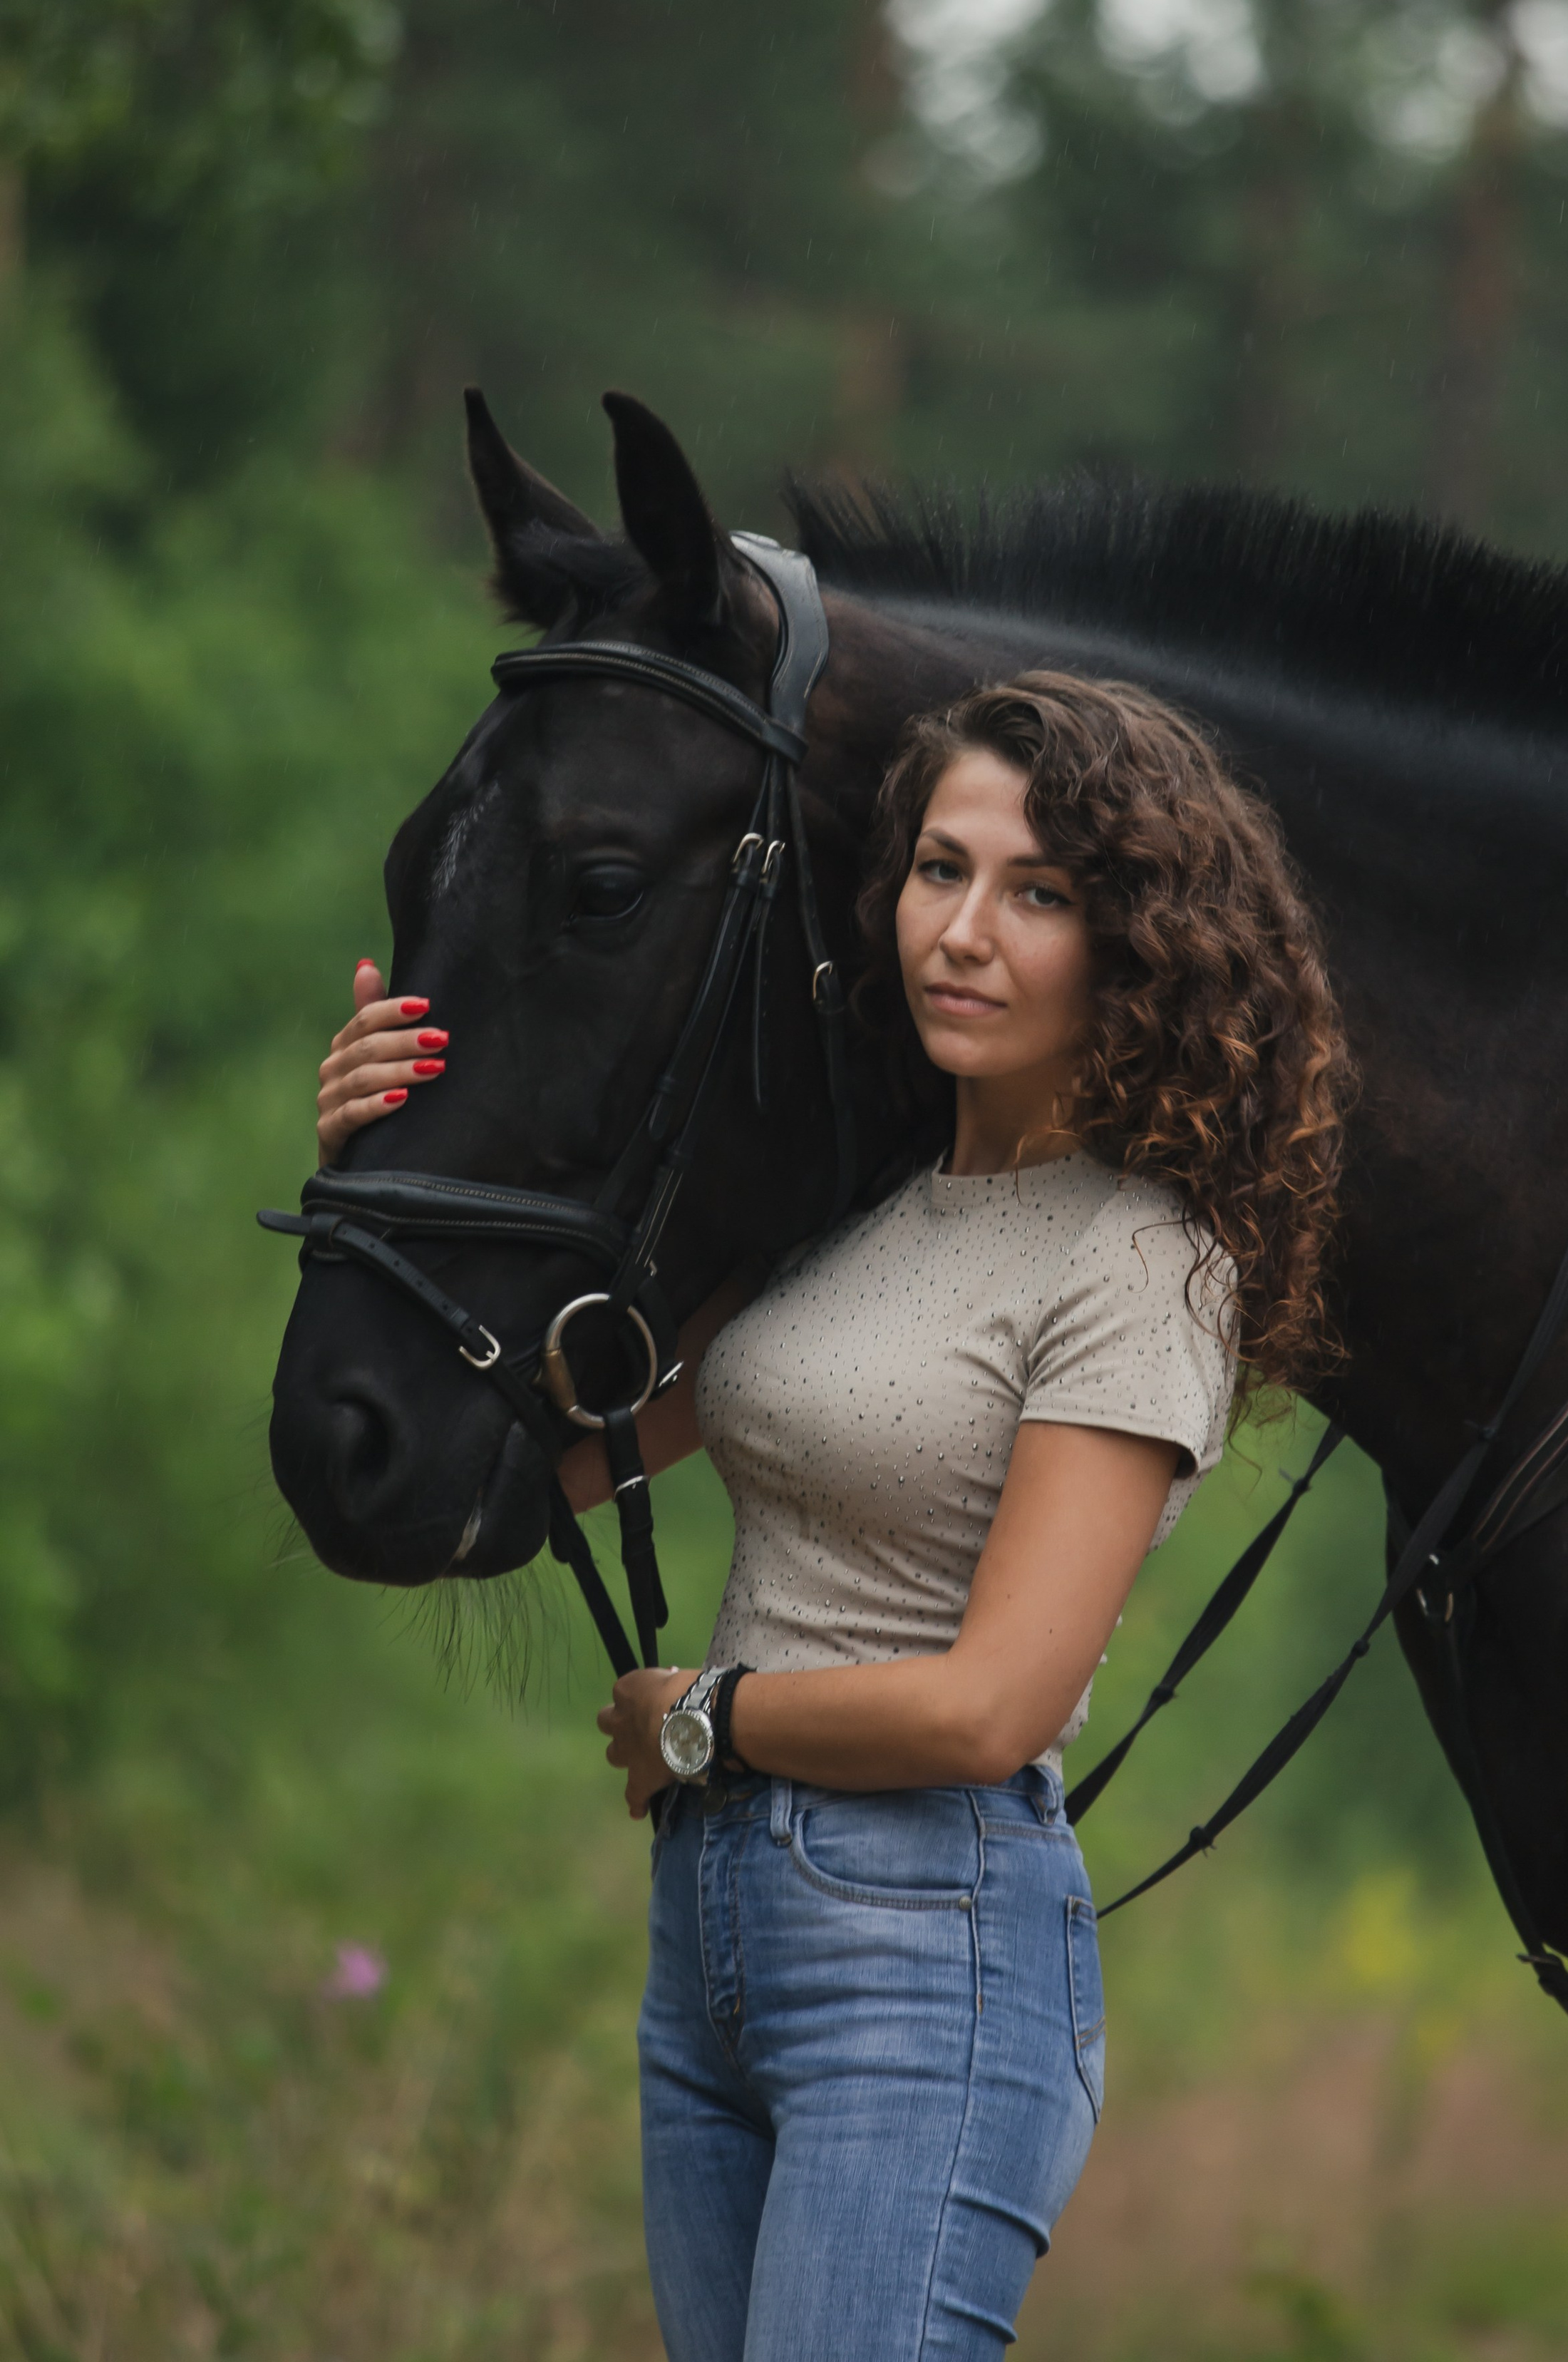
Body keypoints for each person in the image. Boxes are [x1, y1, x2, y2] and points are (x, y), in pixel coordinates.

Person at [315, 672, 1351, 2361]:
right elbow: (526, 1468)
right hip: (713, 1941)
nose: (963, 929)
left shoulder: (1139, 1261)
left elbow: (991, 1705)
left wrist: (707, 1721)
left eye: (1040, 893)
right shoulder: (852, 1212)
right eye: (939, 869)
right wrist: (378, 1159)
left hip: (924, 1954)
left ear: (1135, 942)